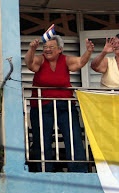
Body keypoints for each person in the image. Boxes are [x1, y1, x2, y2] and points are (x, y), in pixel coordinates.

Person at [25, 35, 94, 172]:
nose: (47, 50)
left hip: (65, 105)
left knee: (73, 136)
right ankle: (44, 169)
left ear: (60, 49)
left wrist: (89, 52)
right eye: (45, 47)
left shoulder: (65, 60)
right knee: (42, 139)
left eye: (51, 47)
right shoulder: (40, 59)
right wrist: (32, 49)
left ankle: (78, 171)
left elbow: (80, 62)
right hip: (41, 106)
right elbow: (30, 64)